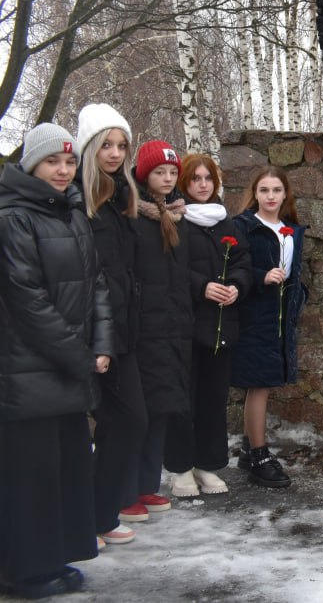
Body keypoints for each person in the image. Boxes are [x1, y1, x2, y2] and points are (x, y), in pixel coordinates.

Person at [0, 124, 111, 598]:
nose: (63, 171)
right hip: (28, 370)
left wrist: (101, 344)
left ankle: (51, 556)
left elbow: (96, 285)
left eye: (68, 162)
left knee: (65, 468)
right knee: (30, 475)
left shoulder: (70, 214)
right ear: (31, 166)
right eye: (52, 162)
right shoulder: (12, 219)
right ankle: (22, 570)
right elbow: (25, 300)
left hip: (69, 366)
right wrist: (77, 355)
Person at [76, 103, 146, 548]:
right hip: (94, 335)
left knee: (129, 423)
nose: (116, 153)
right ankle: (89, 518)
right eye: (106, 145)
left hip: (124, 332)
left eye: (121, 145)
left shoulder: (122, 199)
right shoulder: (80, 203)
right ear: (89, 149)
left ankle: (100, 514)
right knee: (113, 423)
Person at [164, 154, 252, 498]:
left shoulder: (225, 222)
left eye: (208, 179)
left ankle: (207, 463)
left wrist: (237, 287)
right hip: (185, 324)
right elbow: (169, 266)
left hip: (221, 323)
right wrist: (201, 286)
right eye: (195, 179)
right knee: (183, 397)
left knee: (213, 398)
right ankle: (181, 467)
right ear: (185, 183)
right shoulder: (176, 221)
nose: (203, 184)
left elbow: (243, 261)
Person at [124, 140, 194, 524]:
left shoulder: (180, 216)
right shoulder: (134, 217)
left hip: (173, 327)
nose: (167, 179)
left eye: (171, 172)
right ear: (144, 175)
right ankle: (126, 488)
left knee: (163, 408)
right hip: (145, 327)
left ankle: (148, 482)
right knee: (140, 413)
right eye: (159, 172)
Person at [231, 166, 308, 488]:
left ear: (285, 193)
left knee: (263, 383)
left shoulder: (292, 229)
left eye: (277, 190)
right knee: (258, 384)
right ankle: (259, 455)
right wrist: (262, 275)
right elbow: (234, 267)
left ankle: (250, 450)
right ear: (255, 193)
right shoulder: (244, 226)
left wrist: (299, 295)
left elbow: (295, 272)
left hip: (280, 317)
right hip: (254, 315)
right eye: (264, 190)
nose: (271, 196)